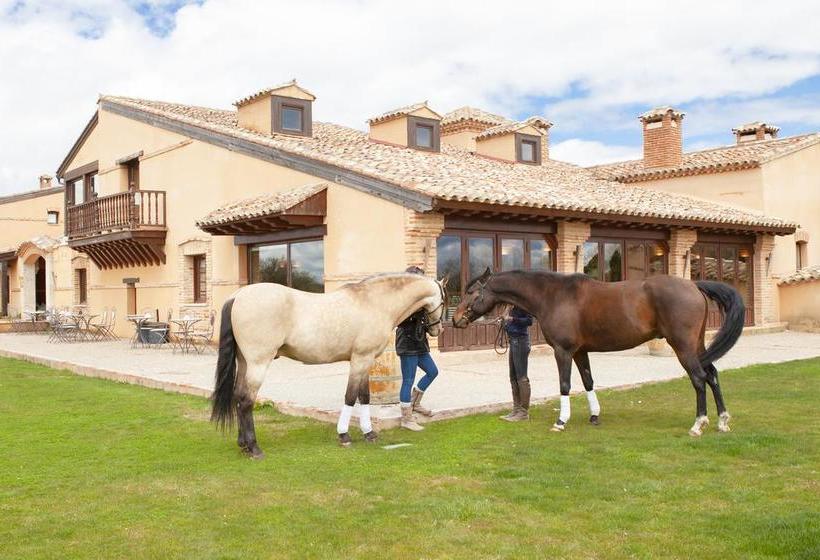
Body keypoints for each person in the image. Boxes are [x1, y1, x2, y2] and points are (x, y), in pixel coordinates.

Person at [396, 266, 440, 431]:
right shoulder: (402, 299)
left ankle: (415, 403)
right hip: (407, 343)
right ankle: (406, 418)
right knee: (408, 380)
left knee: (433, 371)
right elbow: (400, 321)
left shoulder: (421, 300)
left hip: (420, 343)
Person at [500, 306, 533, 422]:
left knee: (521, 377)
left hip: (521, 341)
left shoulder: (522, 305)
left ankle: (523, 412)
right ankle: (516, 409)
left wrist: (512, 319)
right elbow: (507, 319)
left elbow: (530, 321)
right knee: (513, 377)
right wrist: (505, 317)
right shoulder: (511, 306)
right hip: (513, 341)